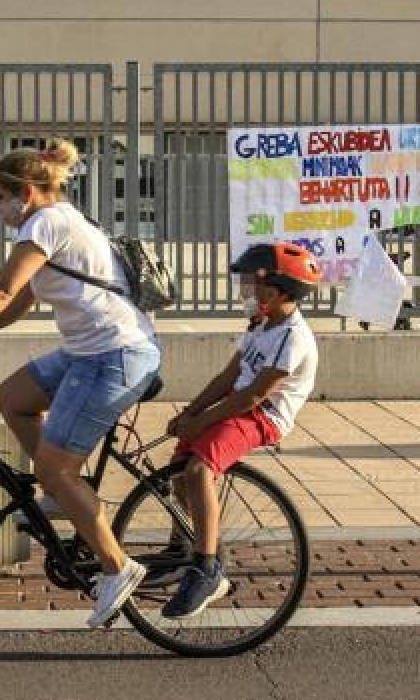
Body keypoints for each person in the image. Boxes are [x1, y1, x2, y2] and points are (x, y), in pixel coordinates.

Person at [0, 138, 162, 628]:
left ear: (26, 192)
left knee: (57, 468)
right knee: (13, 397)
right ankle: (58, 491)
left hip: (114, 355)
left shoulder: (46, 223)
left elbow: (1, 288)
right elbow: (18, 303)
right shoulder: (56, 221)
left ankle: (117, 567)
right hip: (87, 351)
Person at [160, 242, 321, 619]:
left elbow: (254, 395)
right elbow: (229, 376)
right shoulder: (261, 325)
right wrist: (192, 411)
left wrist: (202, 422)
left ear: (278, 290)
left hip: (261, 415)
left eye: (253, 283)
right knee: (179, 473)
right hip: (239, 402)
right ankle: (180, 546)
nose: (246, 290)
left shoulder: (293, 337)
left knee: (200, 470)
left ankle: (207, 567)